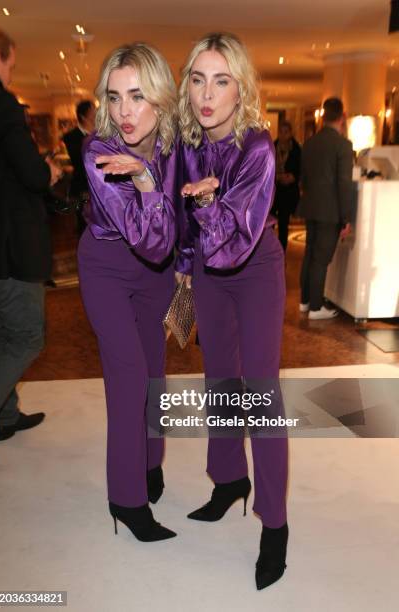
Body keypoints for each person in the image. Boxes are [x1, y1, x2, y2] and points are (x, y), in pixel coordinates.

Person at [176, 33, 288, 590]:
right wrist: (181, 276)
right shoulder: (189, 143)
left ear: (239, 86)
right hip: (208, 272)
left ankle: (275, 522)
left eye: (220, 80)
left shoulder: (257, 148)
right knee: (219, 379)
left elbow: (233, 239)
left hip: (253, 267)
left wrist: (206, 202)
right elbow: (188, 234)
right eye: (198, 79)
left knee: (260, 391)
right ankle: (228, 482)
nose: (207, 93)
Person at [77, 43, 179, 542]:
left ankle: (150, 461)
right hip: (107, 268)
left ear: (159, 98)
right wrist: (142, 179)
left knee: (155, 372)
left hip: (155, 277)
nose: (124, 111)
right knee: (129, 375)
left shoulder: (172, 145)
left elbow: (176, 235)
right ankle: (126, 498)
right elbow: (147, 238)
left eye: (137, 96)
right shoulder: (98, 151)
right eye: (114, 97)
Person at [0, 27, 62, 441]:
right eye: (10, 65)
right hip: (8, 247)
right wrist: (48, 171)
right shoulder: (2, 107)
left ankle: (7, 415)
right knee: (27, 335)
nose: (11, 74)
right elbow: (32, 174)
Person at [299, 97, 353, 319]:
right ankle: (315, 307)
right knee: (321, 259)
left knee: (310, 255)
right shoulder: (343, 145)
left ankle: (305, 301)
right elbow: (344, 184)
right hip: (330, 211)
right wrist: (346, 217)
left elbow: (304, 178)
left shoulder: (310, 143)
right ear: (342, 117)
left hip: (311, 207)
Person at [63, 100, 96, 236]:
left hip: (101, 187)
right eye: (93, 110)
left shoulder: (101, 134)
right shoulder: (70, 137)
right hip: (83, 186)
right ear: (83, 116)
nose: (96, 113)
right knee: (84, 224)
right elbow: (80, 160)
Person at [271, 120, 301, 251]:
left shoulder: (296, 149)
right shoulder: (273, 146)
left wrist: (292, 177)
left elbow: (300, 169)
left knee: (284, 225)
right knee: (269, 224)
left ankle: (282, 252)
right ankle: (269, 251)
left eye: (286, 132)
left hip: (288, 193)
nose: (283, 135)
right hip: (274, 192)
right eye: (281, 132)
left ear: (290, 133)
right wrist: (276, 177)